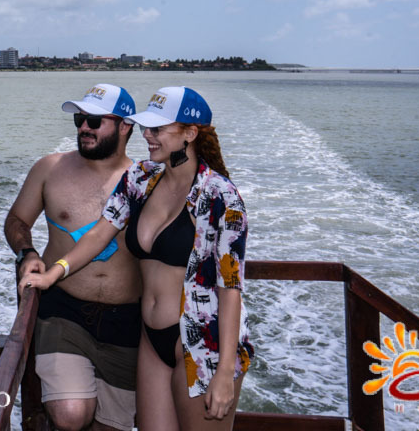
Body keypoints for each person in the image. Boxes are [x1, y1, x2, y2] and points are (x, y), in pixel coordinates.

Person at [20, 86, 252, 431]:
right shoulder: (141, 178)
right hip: (150, 338)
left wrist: (223, 372)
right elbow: (100, 233)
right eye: (146, 127)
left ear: (189, 133)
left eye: (157, 129)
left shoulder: (221, 197)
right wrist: (53, 274)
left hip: (203, 340)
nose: (147, 135)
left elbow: (230, 287)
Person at [4, 84, 142, 431]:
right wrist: (27, 253)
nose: (83, 127)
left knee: (112, 425)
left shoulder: (145, 181)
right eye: (80, 119)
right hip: (63, 310)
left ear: (125, 126)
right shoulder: (50, 168)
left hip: (127, 319)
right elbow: (17, 221)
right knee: (70, 414)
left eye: (94, 120)